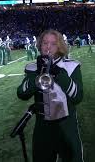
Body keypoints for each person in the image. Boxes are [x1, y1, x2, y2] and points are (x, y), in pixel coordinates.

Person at [17, 29, 84, 162]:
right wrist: (38, 73)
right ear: (39, 45)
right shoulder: (32, 68)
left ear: (60, 47)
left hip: (67, 125)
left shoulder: (71, 66)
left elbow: (77, 97)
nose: (48, 47)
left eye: (53, 44)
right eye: (45, 43)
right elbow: (22, 94)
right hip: (42, 127)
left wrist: (58, 73)